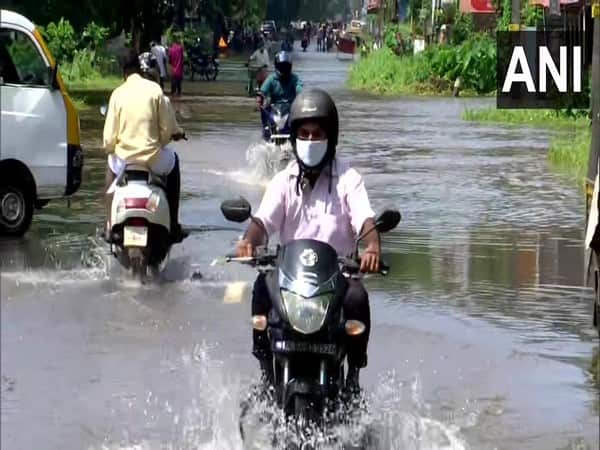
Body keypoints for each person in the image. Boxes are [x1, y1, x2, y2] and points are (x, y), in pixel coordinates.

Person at [237, 89, 380, 392]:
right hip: (290, 282)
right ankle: (265, 372)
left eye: (318, 133)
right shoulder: (283, 181)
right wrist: (249, 240)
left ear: (331, 136)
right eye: (304, 133)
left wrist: (372, 246)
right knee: (262, 286)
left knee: (358, 297)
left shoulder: (348, 179)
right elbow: (263, 221)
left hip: (337, 282)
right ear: (293, 137)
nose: (311, 140)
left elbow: (365, 219)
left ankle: (353, 376)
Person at [103, 50, 187, 242]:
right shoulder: (154, 90)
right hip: (153, 159)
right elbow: (167, 129)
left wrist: (113, 149)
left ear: (123, 72)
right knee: (174, 162)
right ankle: (173, 224)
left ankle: (108, 224)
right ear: (140, 70)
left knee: (110, 163)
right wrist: (161, 142)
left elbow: (108, 141)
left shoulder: (117, 94)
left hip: (124, 161)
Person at [257, 51, 302, 136]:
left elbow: (299, 87)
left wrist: (301, 93)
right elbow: (263, 91)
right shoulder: (271, 79)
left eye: (286, 66)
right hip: (275, 107)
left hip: (291, 108)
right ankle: (265, 128)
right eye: (282, 66)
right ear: (277, 66)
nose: (284, 69)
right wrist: (260, 98)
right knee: (264, 111)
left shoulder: (294, 78)